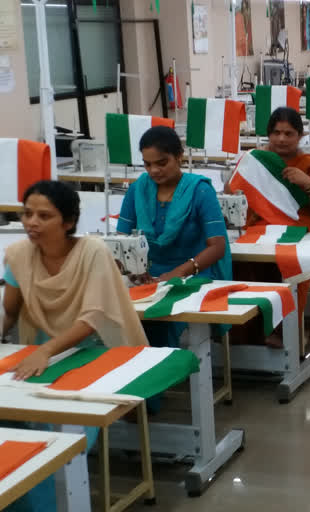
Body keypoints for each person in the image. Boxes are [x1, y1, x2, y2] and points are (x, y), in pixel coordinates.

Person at [3, 180, 148, 512]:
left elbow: (93, 316)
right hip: (39, 351)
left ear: (67, 222)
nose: (31, 223)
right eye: (27, 214)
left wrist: (46, 351)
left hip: (94, 353)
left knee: (58, 434)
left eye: (44, 215)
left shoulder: (92, 252)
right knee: (11, 423)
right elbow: (10, 311)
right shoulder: (20, 255)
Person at [232, 107, 310, 340]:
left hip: (297, 228)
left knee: (291, 262)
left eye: (289, 133)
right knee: (239, 260)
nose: (281, 139)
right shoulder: (256, 160)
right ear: (268, 134)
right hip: (259, 227)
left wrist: (307, 184)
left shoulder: (307, 164)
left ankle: (285, 333)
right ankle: (245, 330)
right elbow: (230, 192)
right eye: (276, 132)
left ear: (300, 136)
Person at [117, 125, 231, 347]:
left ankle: (162, 366)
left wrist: (178, 273)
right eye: (147, 164)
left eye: (161, 163)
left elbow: (217, 247)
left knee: (159, 313)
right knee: (117, 309)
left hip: (192, 272)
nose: (154, 171)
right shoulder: (137, 190)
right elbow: (121, 241)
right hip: (150, 274)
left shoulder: (200, 191)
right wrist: (130, 270)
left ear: (179, 157)